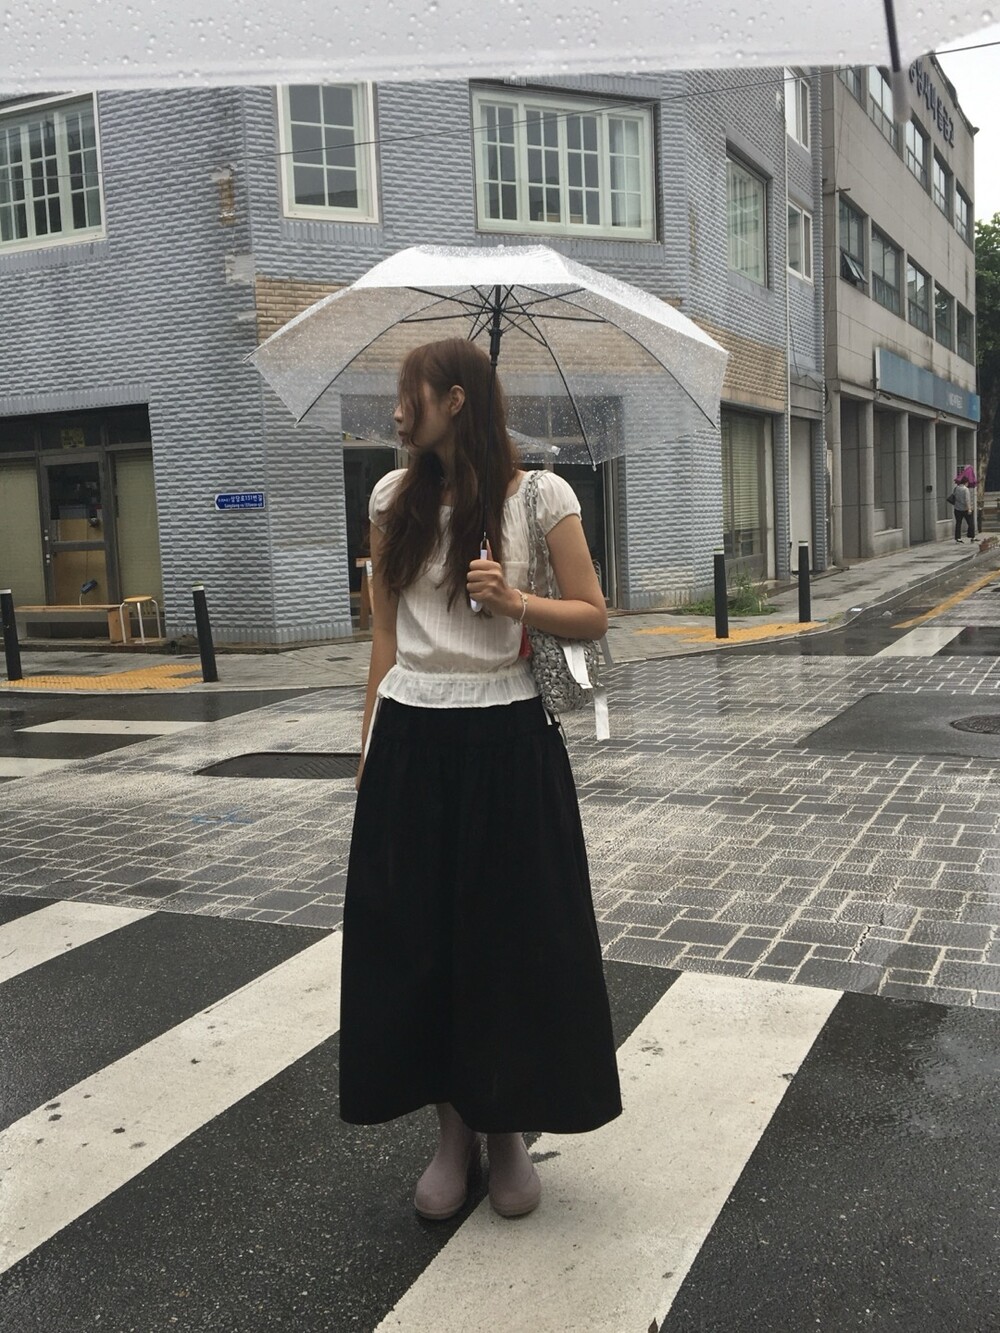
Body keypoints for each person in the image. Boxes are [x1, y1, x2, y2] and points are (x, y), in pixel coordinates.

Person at [339, 336, 622, 1222]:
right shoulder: (391, 498)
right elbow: (386, 639)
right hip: (412, 741)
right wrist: (368, 745)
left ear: (457, 398)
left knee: (508, 940)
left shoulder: (542, 497)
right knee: (422, 943)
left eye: (411, 394)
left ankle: (507, 1132)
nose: (398, 411)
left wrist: (513, 601)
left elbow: (593, 615)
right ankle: (452, 1132)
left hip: (509, 740)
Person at [952, 476, 975, 542]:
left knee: (958, 523)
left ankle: (958, 538)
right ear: (966, 482)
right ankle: (971, 536)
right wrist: (969, 509)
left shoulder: (956, 488)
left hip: (957, 508)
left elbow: (954, 496)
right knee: (970, 523)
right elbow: (967, 500)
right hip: (965, 509)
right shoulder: (965, 489)